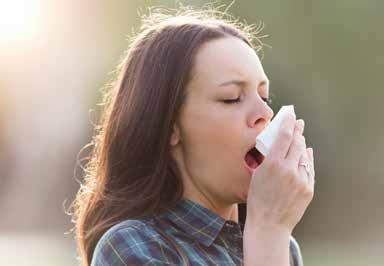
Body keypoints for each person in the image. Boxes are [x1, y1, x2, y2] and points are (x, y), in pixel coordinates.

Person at [71, 6, 315, 266]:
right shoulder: (134, 247)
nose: (265, 113)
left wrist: (271, 234)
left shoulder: (281, 246)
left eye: (264, 97)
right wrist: (268, 230)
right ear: (170, 126)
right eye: (231, 98)